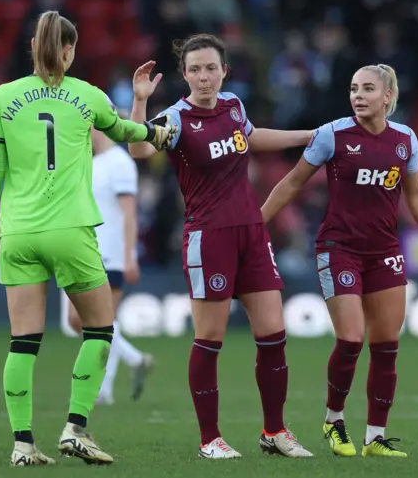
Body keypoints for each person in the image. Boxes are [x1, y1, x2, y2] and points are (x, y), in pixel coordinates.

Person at [0, 10, 177, 467]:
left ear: (31, 48)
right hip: (70, 230)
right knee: (100, 329)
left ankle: (23, 445)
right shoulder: (87, 95)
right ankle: (76, 429)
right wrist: (156, 133)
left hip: (19, 231)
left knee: (23, 342)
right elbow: (124, 132)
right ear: (69, 51)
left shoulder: (3, 97)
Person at [261, 64, 418, 458]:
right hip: (339, 250)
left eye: (368, 89)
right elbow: (293, 182)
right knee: (351, 338)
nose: (358, 95)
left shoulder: (405, 139)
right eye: (354, 88)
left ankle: (375, 437)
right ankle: (333, 420)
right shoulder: (332, 134)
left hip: (384, 252)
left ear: (388, 96)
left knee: (386, 345)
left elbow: (416, 197)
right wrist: (255, 226)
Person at [128, 34, 314, 459]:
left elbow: (250, 137)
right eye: (195, 69)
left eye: (211, 68)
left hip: (251, 232)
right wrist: (140, 102)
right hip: (208, 238)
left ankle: (275, 432)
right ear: (184, 74)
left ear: (224, 70)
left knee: (274, 336)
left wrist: (307, 136)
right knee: (210, 339)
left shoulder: (233, 105)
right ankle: (209, 439)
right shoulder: (175, 119)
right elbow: (139, 147)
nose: (204, 76)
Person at [67, 127, 154, 406]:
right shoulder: (91, 162)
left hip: (110, 253)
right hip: (86, 251)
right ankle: (134, 359)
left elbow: (129, 212)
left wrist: (130, 256)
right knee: (80, 321)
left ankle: (104, 390)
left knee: (98, 322)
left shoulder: (120, 162)